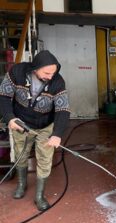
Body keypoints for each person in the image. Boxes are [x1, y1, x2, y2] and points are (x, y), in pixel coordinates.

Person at [0, 50, 70, 211]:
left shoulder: (58, 82)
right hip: (21, 123)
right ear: (35, 68)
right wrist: (10, 118)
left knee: (45, 158)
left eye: (53, 72)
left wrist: (57, 134)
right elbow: (3, 95)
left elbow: (63, 109)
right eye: (47, 72)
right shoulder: (16, 72)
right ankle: (22, 184)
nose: (50, 76)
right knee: (20, 154)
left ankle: (39, 195)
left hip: (45, 126)